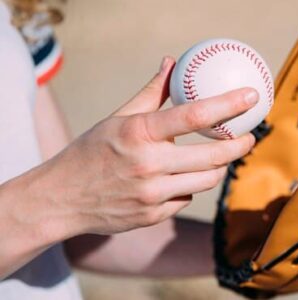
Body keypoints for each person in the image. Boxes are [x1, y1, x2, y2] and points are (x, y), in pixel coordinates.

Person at [0, 1, 257, 298]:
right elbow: (62, 206)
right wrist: (65, 197)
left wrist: (256, 248)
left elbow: (76, 237)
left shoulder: (19, 7)